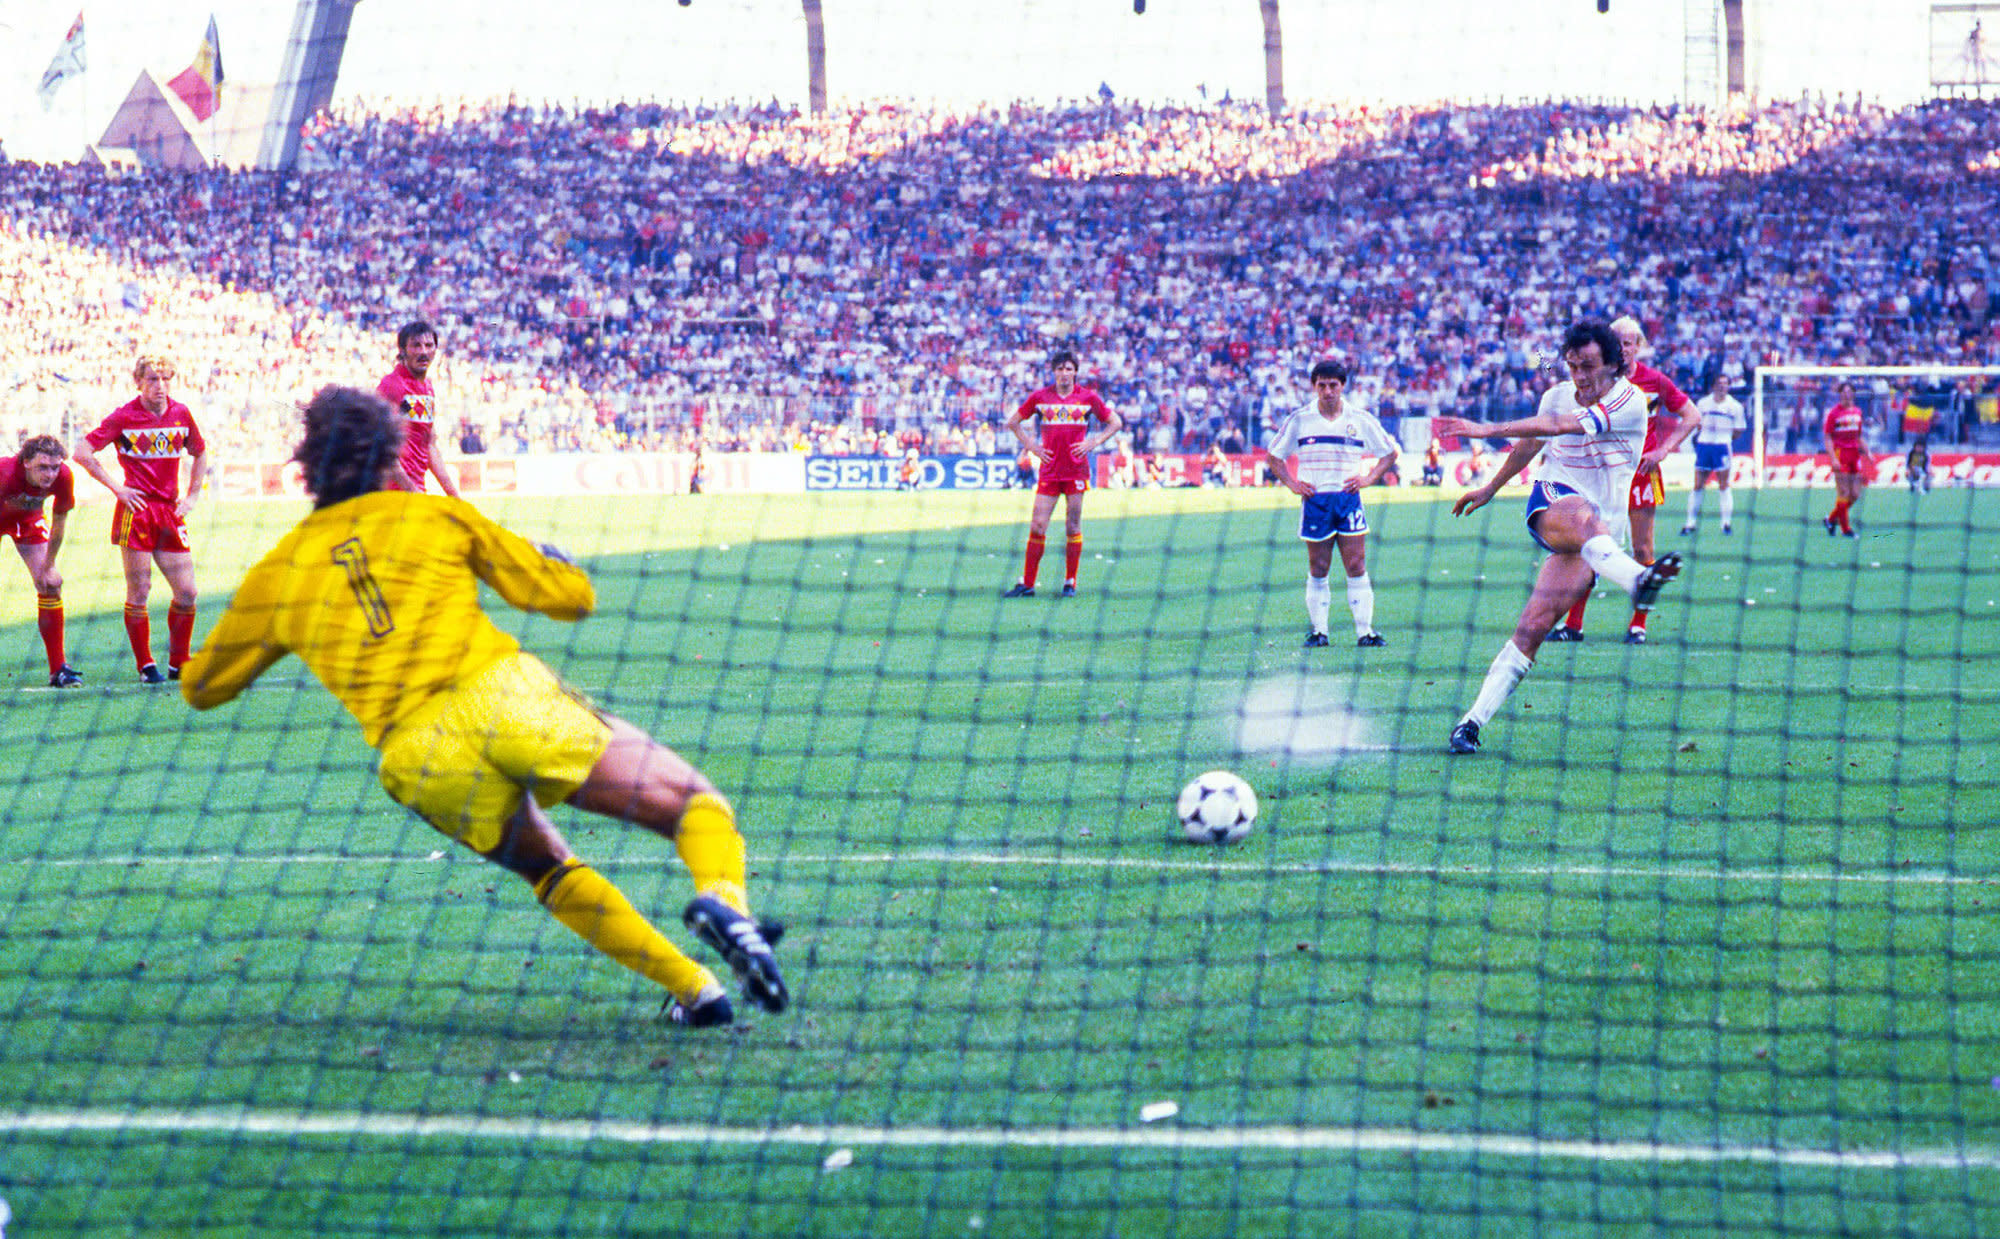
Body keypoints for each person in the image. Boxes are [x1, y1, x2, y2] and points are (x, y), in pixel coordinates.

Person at [179, 386, 786, 1029]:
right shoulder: (437, 517)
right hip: (503, 699)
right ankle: (726, 906)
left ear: (309, 470)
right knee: (696, 808)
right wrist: (561, 564)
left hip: (417, 755)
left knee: (548, 869)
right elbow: (568, 598)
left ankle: (697, 991)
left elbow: (203, 689)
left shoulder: (278, 572)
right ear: (391, 458)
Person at [1434, 321, 1683, 755]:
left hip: (1599, 537)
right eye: (1572, 366)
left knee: (1532, 627)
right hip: (1553, 499)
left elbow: (1562, 426)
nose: (1579, 376)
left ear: (1614, 364)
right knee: (1583, 519)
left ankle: (1471, 723)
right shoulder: (1556, 395)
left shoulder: (1630, 401)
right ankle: (1638, 582)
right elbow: (1531, 446)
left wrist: (1486, 429)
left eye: (1588, 367)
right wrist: (1489, 489)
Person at [1547, 316, 1697, 646]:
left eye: (1630, 342)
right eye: (1618, 341)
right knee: (1591, 545)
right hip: (1602, 476)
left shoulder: (1655, 381)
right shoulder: (1596, 381)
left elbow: (1692, 415)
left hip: (1641, 475)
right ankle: (1574, 625)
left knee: (1643, 548)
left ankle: (1638, 625)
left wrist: (1664, 449)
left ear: (1638, 347)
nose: (1624, 347)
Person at [73, 354, 209, 684]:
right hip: (136, 512)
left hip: (169, 511)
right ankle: (146, 665)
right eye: (152, 379)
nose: (159, 386)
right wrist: (118, 488)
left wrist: (192, 495)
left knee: (187, 592)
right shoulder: (125, 416)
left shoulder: (181, 414)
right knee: (141, 589)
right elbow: (81, 452)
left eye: (164, 379)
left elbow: (200, 451)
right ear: (139, 382)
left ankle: (180, 661)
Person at [1261, 360, 1399, 648]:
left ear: (1342, 386)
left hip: (1348, 499)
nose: (1327, 391)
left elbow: (1389, 453)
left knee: (1356, 563)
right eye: (1321, 385)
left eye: (1333, 385)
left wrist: (1369, 477)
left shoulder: (1359, 418)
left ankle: (1366, 632)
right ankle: (1319, 631)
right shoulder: (1300, 419)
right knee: (1319, 565)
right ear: (1314, 386)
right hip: (1316, 501)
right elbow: (1274, 456)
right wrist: (1292, 483)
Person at [1002, 350, 1123, 598]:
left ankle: (1070, 581)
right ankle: (1028, 584)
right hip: (1049, 470)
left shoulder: (1088, 398)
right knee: (1037, 525)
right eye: (1060, 368)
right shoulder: (1040, 397)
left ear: (1075, 372)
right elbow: (1013, 422)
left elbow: (1116, 422)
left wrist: (1094, 442)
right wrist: (1032, 446)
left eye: (1069, 368)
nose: (1064, 373)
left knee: (1072, 526)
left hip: (1076, 470)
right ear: (1054, 371)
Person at [2, 435, 83, 687]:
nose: (50, 474)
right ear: (25, 462)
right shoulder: (4, 474)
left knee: (51, 585)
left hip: (28, 521)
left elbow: (59, 525)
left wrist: (48, 567)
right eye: (42, 467)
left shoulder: (64, 477)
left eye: (54, 467)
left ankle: (58, 669)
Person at [377, 320, 463, 499]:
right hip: (391, 495)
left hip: (413, 492)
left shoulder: (426, 389)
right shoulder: (393, 386)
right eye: (416, 345)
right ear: (402, 350)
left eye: (429, 345)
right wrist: (411, 490)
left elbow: (428, 443)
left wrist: (454, 495)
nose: (423, 351)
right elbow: (382, 447)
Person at [1682, 372, 1749, 535]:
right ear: (1713, 386)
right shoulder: (1703, 403)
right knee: (1698, 485)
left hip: (1722, 447)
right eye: (1719, 383)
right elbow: (1696, 423)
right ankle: (1690, 523)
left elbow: (1739, 430)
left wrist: (1725, 438)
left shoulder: (1735, 407)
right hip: (1704, 446)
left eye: (1726, 383)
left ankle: (1726, 523)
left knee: (1723, 485)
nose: (1722, 386)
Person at [1822, 382, 1867, 536]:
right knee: (1843, 492)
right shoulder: (1834, 413)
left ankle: (1831, 519)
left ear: (1853, 394)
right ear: (1840, 394)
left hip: (1855, 454)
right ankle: (1846, 529)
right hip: (1841, 454)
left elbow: (1859, 436)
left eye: (1849, 391)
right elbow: (1827, 437)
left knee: (1855, 494)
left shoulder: (1858, 412)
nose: (1847, 394)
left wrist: (1868, 452)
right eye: (1844, 392)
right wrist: (1833, 458)